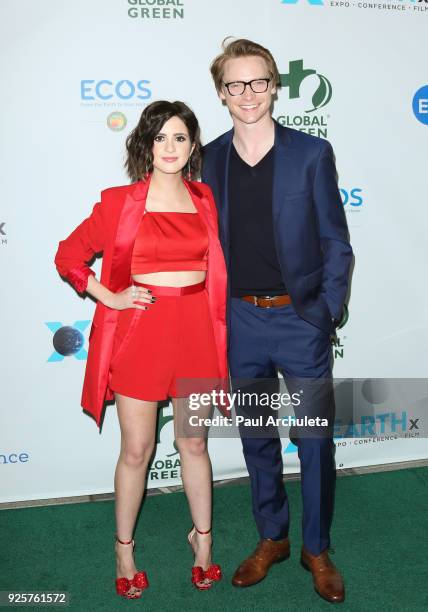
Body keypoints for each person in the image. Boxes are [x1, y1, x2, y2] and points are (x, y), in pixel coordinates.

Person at [55, 100, 227, 598]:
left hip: (196, 332)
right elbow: (68, 256)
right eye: (160, 137)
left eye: (180, 137)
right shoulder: (118, 201)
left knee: (194, 443)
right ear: (144, 145)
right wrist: (109, 295)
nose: (170, 147)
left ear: (193, 146)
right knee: (137, 450)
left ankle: (203, 542)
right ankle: (124, 548)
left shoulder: (205, 199)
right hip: (142, 333)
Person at [202, 39, 352, 603]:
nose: (247, 94)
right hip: (239, 322)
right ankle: (274, 537)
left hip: (299, 321)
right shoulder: (208, 159)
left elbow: (336, 241)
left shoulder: (311, 154)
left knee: (313, 440)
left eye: (258, 81)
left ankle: (316, 546)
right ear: (221, 92)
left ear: (274, 86)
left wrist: (326, 311)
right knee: (256, 437)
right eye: (235, 84)